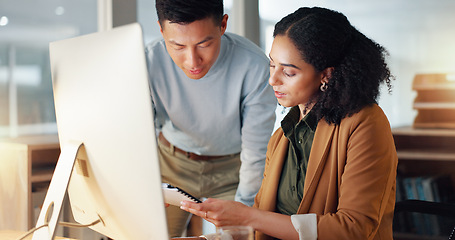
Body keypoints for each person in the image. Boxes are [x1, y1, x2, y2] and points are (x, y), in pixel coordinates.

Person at [180, 6, 398, 240]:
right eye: (272, 65)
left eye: (289, 73)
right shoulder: (282, 137)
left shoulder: (365, 124)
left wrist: (248, 216)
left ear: (326, 75)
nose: (272, 79)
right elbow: (263, 225)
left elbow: (353, 229)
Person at [145, 0, 277, 237]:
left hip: (235, 170)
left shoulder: (255, 66)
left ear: (223, 25)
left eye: (204, 43)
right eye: (177, 46)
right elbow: (138, 132)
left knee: (245, 236)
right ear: (161, 30)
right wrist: (145, 180)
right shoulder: (147, 62)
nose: (192, 61)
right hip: (171, 164)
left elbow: (256, 152)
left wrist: (245, 209)